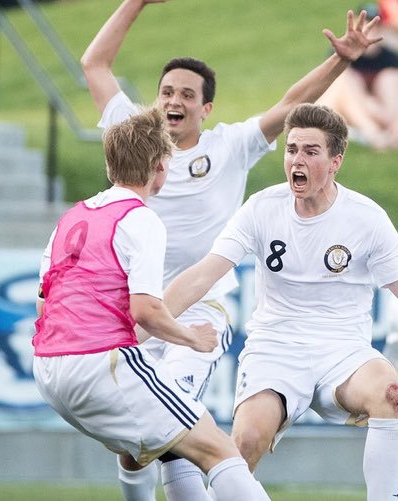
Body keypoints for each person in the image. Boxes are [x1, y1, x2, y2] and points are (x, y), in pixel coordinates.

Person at [80, 2, 384, 498]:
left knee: (175, 423)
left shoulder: (229, 146)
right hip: (134, 305)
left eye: (186, 94)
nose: (173, 100)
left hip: (199, 307)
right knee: (133, 440)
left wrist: (341, 60)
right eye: (166, 92)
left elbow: (290, 105)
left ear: (206, 108)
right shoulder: (133, 137)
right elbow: (95, 64)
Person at [165, 104, 398, 501]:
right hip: (275, 347)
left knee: (391, 393)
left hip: (342, 349)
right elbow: (202, 274)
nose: (297, 160)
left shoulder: (366, 218)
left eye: (310, 152)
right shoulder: (262, 207)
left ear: (336, 161)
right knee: (244, 443)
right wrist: (145, 319)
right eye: (292, 149)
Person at [33, 108, 268, 501]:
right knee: (216, 448)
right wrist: (192, 338)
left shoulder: (71, 218)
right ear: (161, 168)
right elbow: (146, 309)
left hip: (48, 370)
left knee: (144, 449)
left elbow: (44, 308)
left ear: (110, 167)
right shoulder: (140, 219)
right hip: (98, 364)